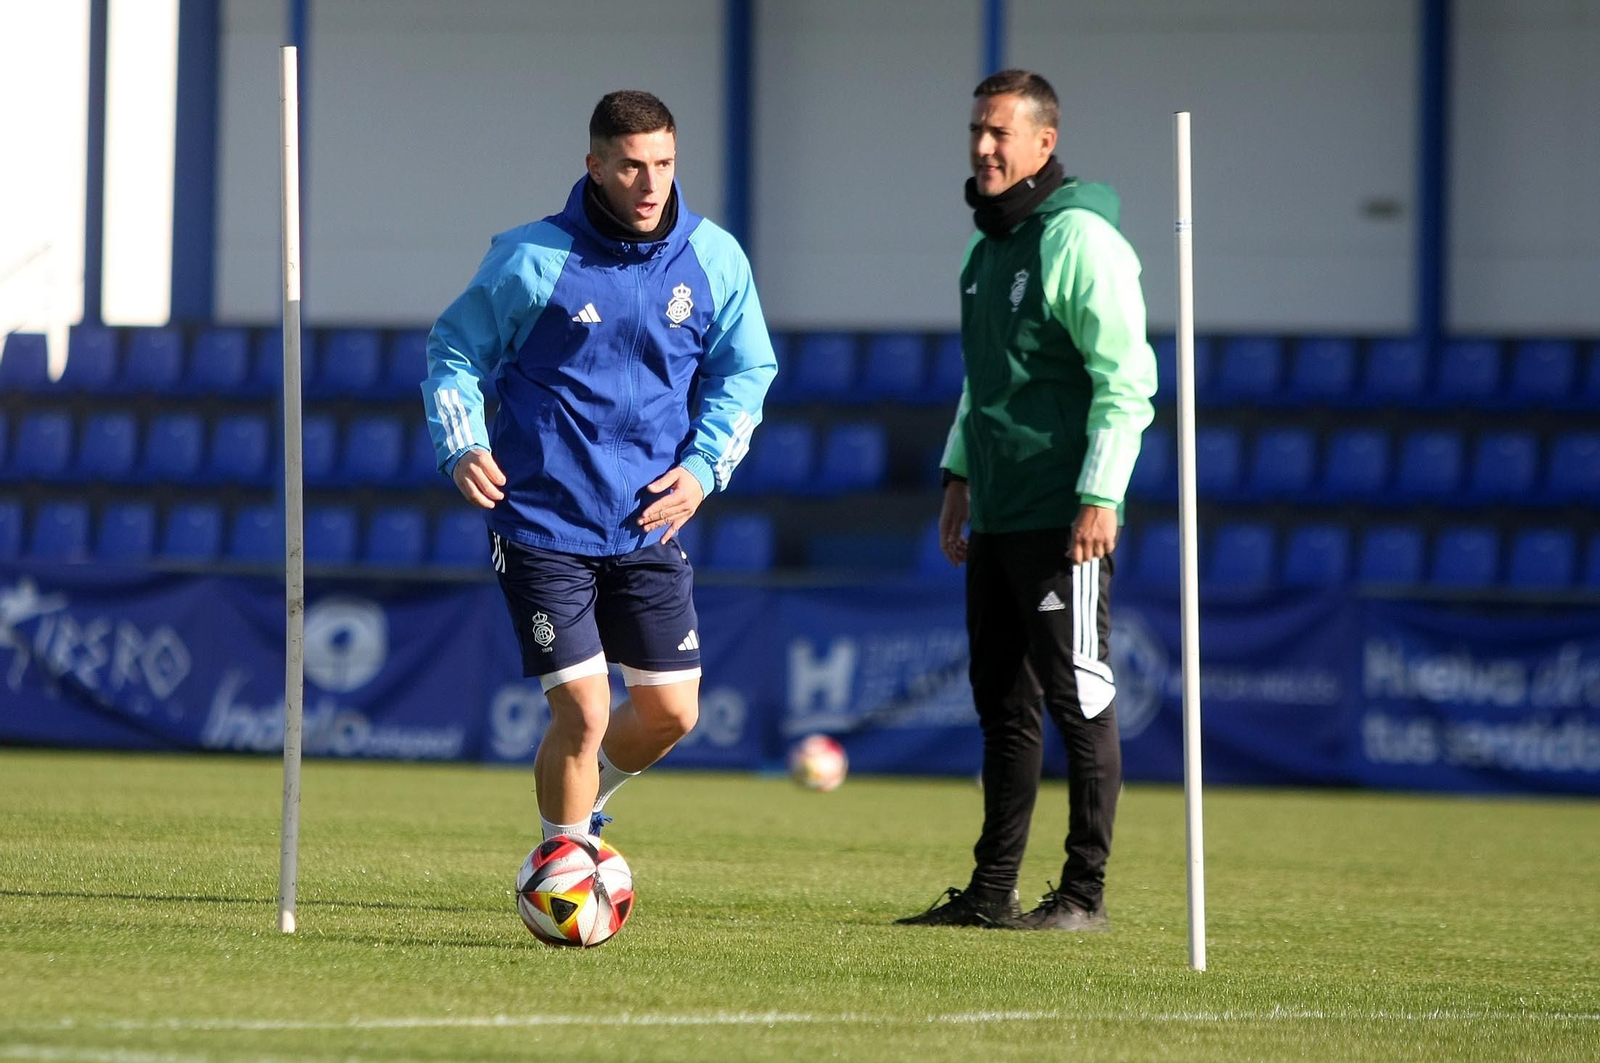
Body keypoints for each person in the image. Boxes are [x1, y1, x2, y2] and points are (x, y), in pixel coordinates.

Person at [421, 90, 776, 844]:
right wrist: (464, 442)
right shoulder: (532, 256)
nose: (651, 184)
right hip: (545, 522)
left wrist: (705, 467)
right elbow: (453, 353)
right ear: (595, 166)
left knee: (672, 713)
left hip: (648, 524)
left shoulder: (714, 258)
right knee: (582, 710)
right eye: (631, 167)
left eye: (664, 164)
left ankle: (581, 803)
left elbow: (748, 371)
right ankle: (558, 864)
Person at [897, 70, 1156, 931]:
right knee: (1002, 706)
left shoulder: (1079, 240)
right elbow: (985, 389)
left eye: (1001, 132)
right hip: (1000, 512)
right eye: (976, 129)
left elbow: (1127, 382)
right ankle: (991, 891)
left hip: (1063, 514)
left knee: (1078, 692)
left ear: (1045, 143)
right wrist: (957, 479)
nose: (983, 146)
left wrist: (1101, 494)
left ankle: (1084, 895)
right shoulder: (985, 251)